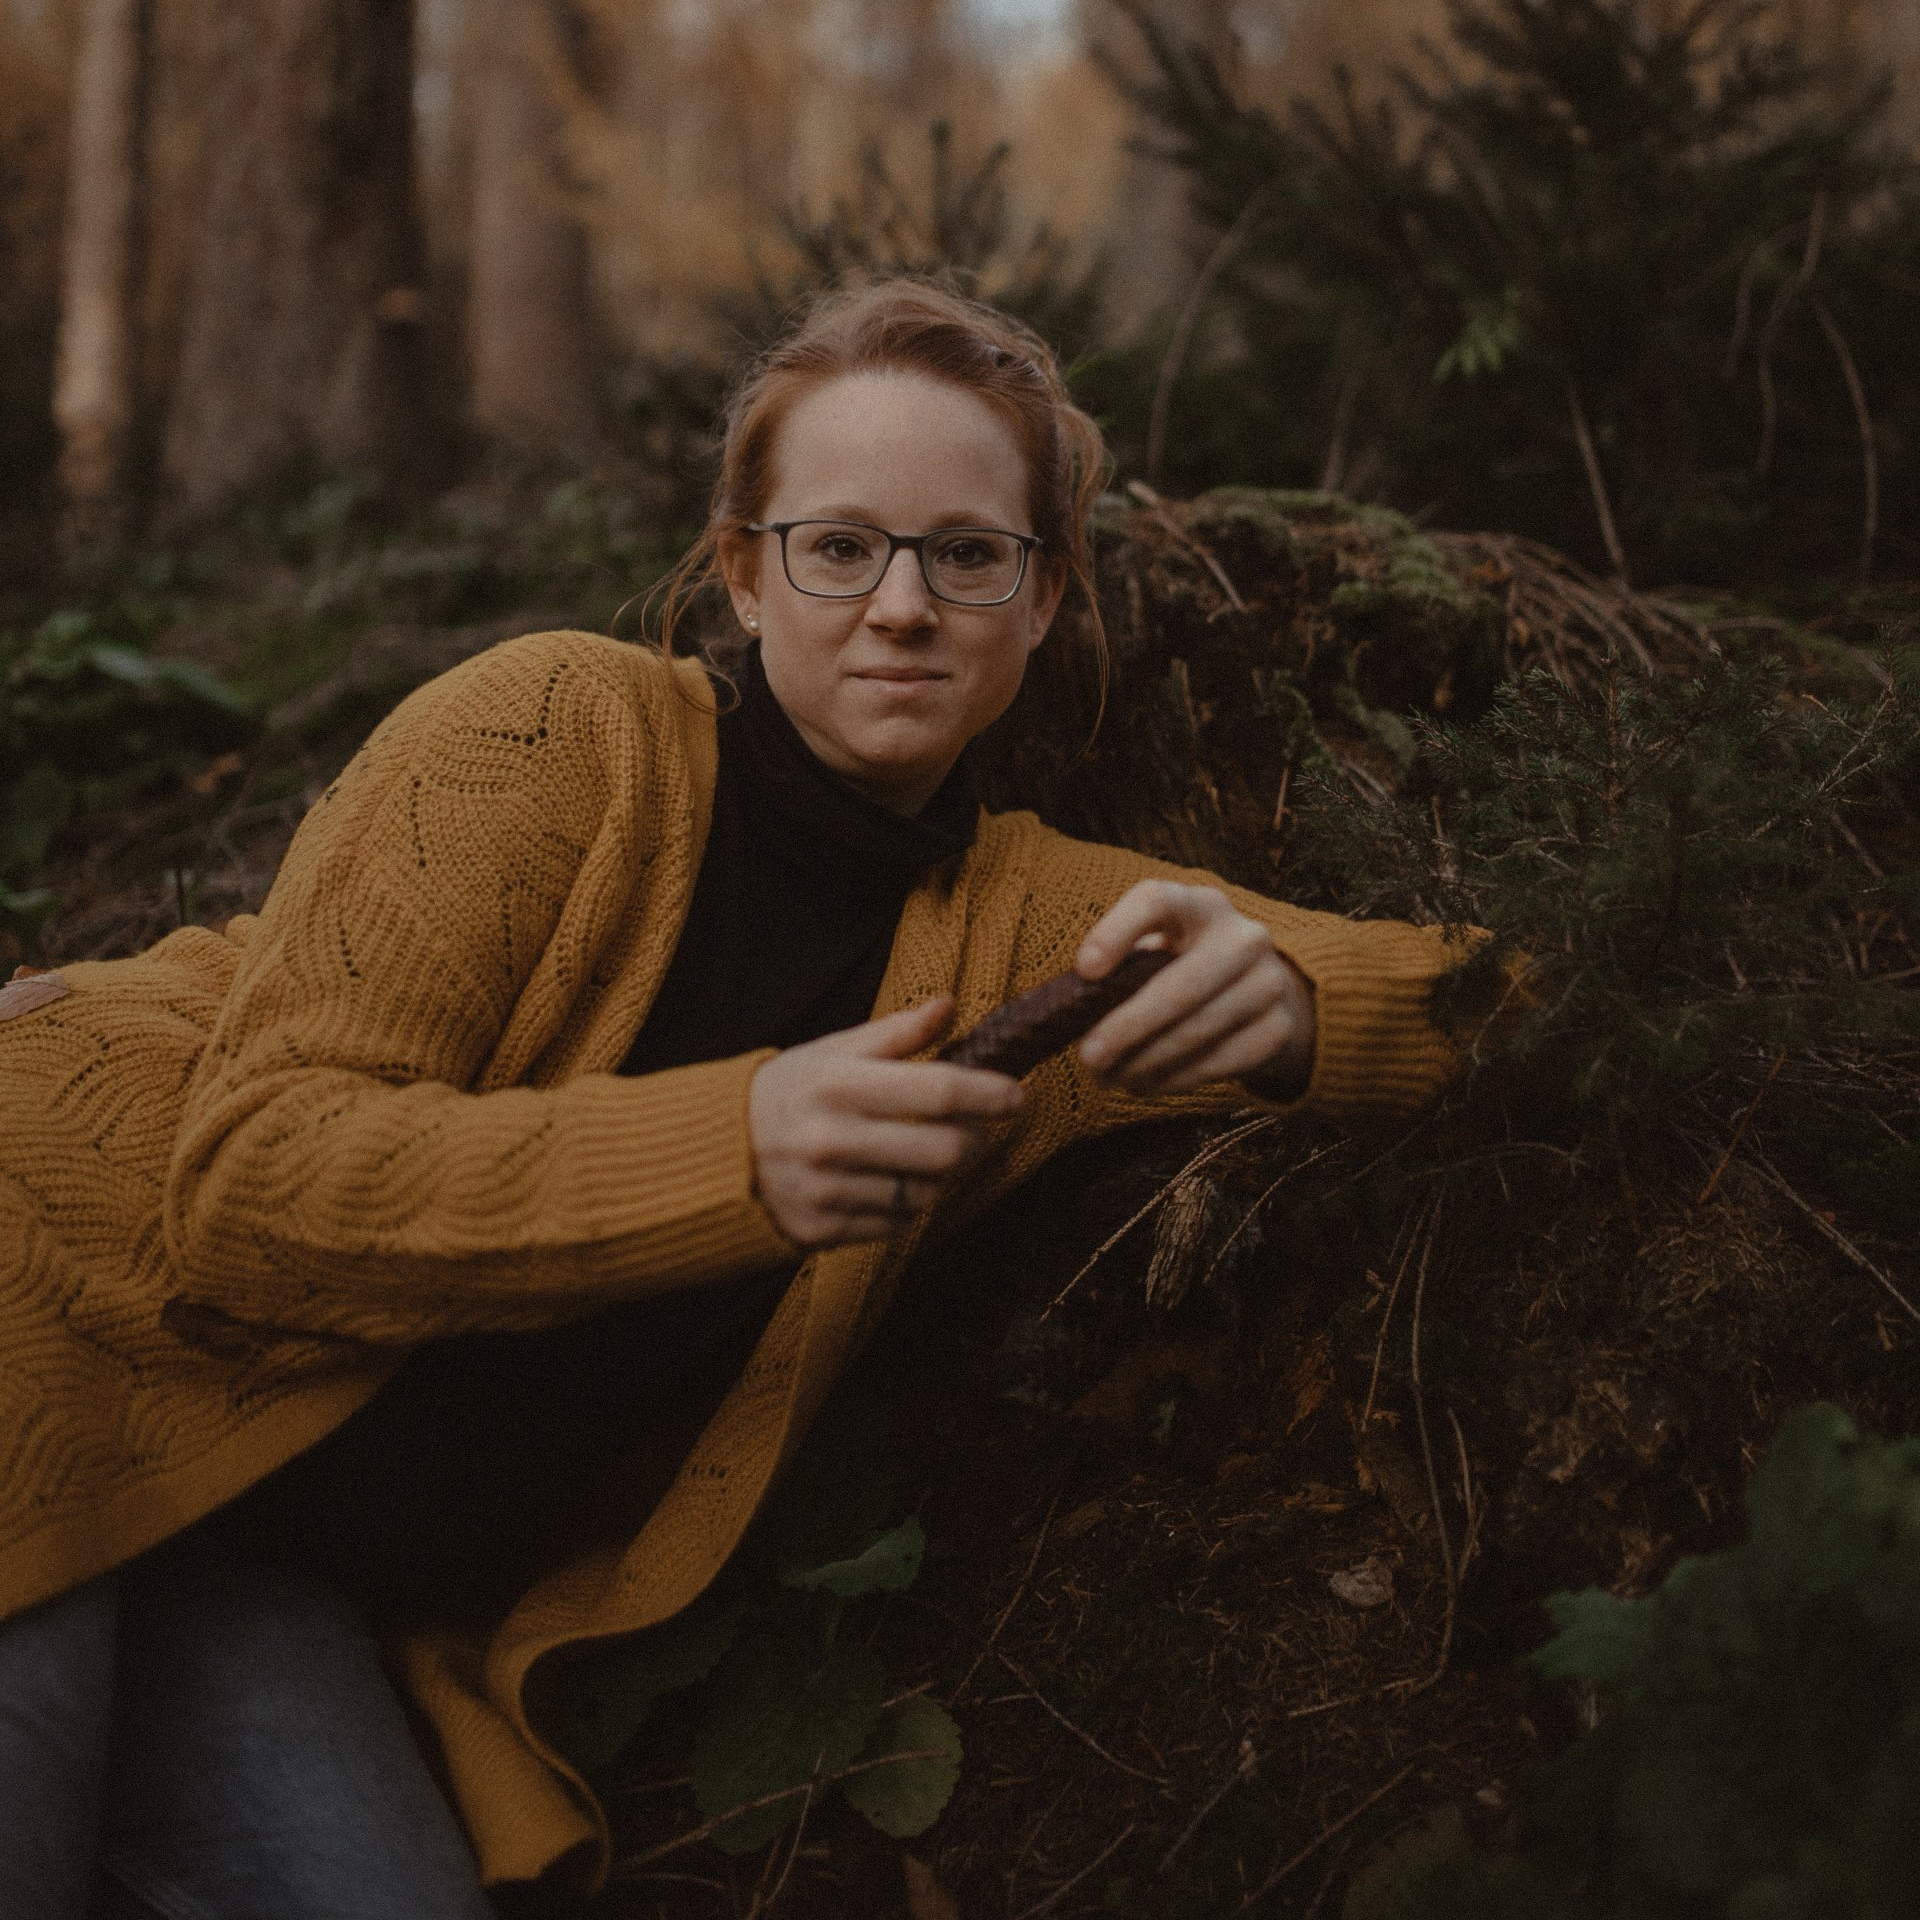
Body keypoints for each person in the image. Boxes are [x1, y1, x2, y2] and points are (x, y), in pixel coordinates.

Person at [0, 279, 1482, 1918]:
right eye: (839, 546)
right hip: (48, 1323)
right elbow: (253, 1186)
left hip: (251, 1545)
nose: (901, 606)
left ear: (1045, 595)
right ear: (743, 571)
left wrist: (1296, 1007)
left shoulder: (1016, 925)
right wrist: (735, 1145)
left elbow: (1512, 997)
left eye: (966, 554)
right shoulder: (554, 729)